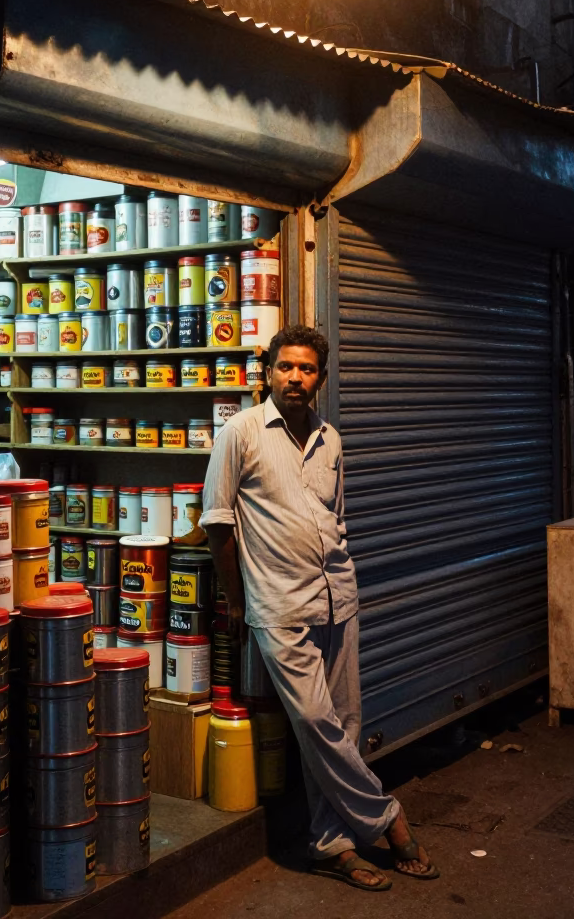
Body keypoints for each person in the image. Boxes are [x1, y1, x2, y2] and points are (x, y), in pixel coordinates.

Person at [200, 323, 439, 891]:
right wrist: (237, 601)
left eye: (307, 369)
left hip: (338, 598)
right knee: (313, 720)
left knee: (343, 727)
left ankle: (332, 845)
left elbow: (337, 518)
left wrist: (344, 575)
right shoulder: (240, 434)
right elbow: (217, 525)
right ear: (268, 372)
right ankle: (389, 819)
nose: (296, 378)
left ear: (321, 379)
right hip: (278, 604)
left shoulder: (331, 439)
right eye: (286, 367)